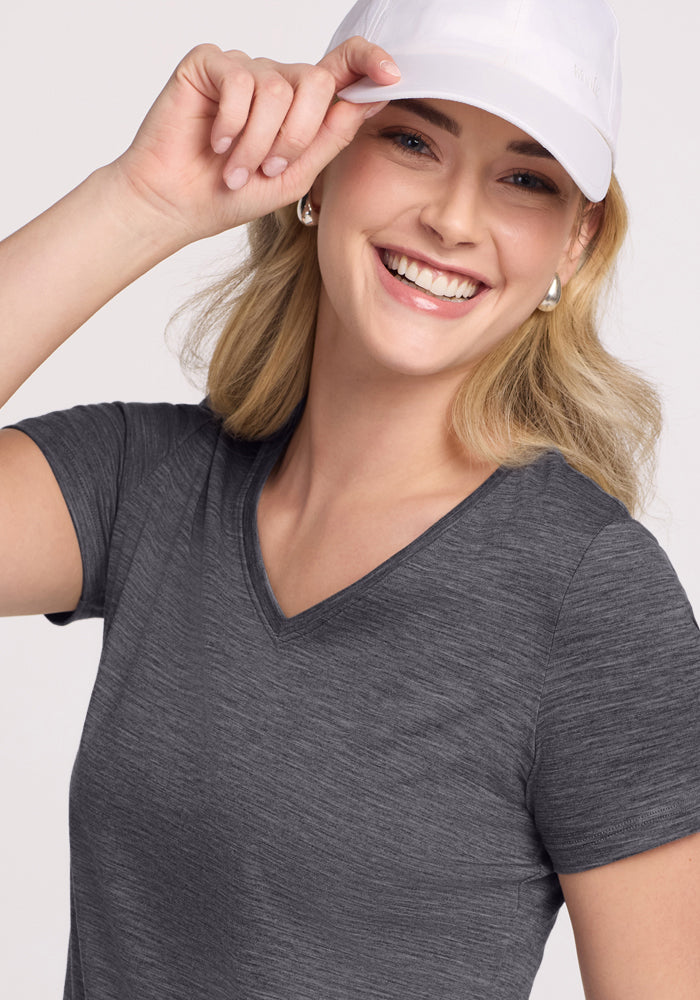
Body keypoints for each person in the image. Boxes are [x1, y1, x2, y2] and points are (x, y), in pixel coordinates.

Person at [1, 0, 699, 996]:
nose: (454, 218)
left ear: (573, 243)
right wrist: (141, 201)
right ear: (320, 164)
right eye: (412, 139)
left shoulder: (589, 598)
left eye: (523, 178)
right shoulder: (149, 487)